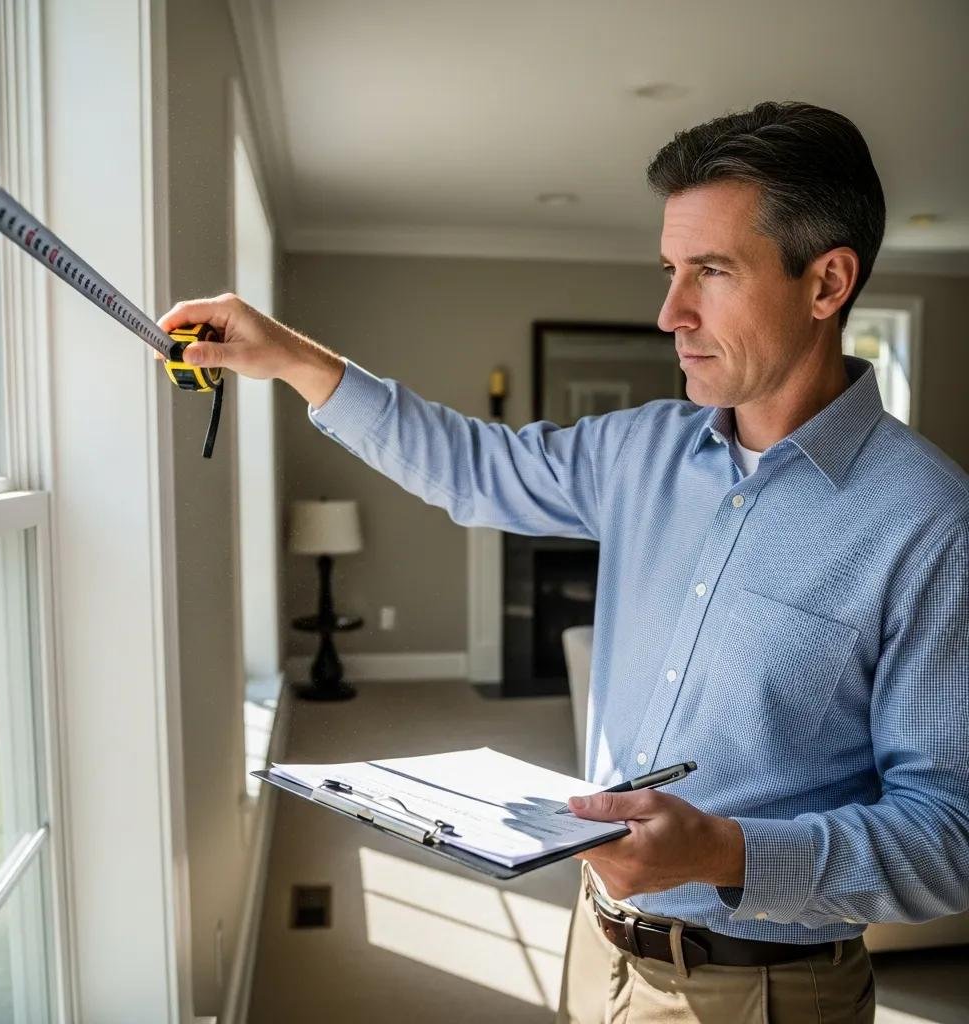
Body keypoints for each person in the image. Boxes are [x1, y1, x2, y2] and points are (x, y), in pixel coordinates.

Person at [159, 101, 969, 1023]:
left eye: (710, 271)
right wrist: (291, 358)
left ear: (827, 284)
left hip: (765, 990)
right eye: (670, 270)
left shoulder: (931, 524)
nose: (670, 313)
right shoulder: (640, 451)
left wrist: (724, 852)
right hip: (595, 938)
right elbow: (471, 465)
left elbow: (951, 835)